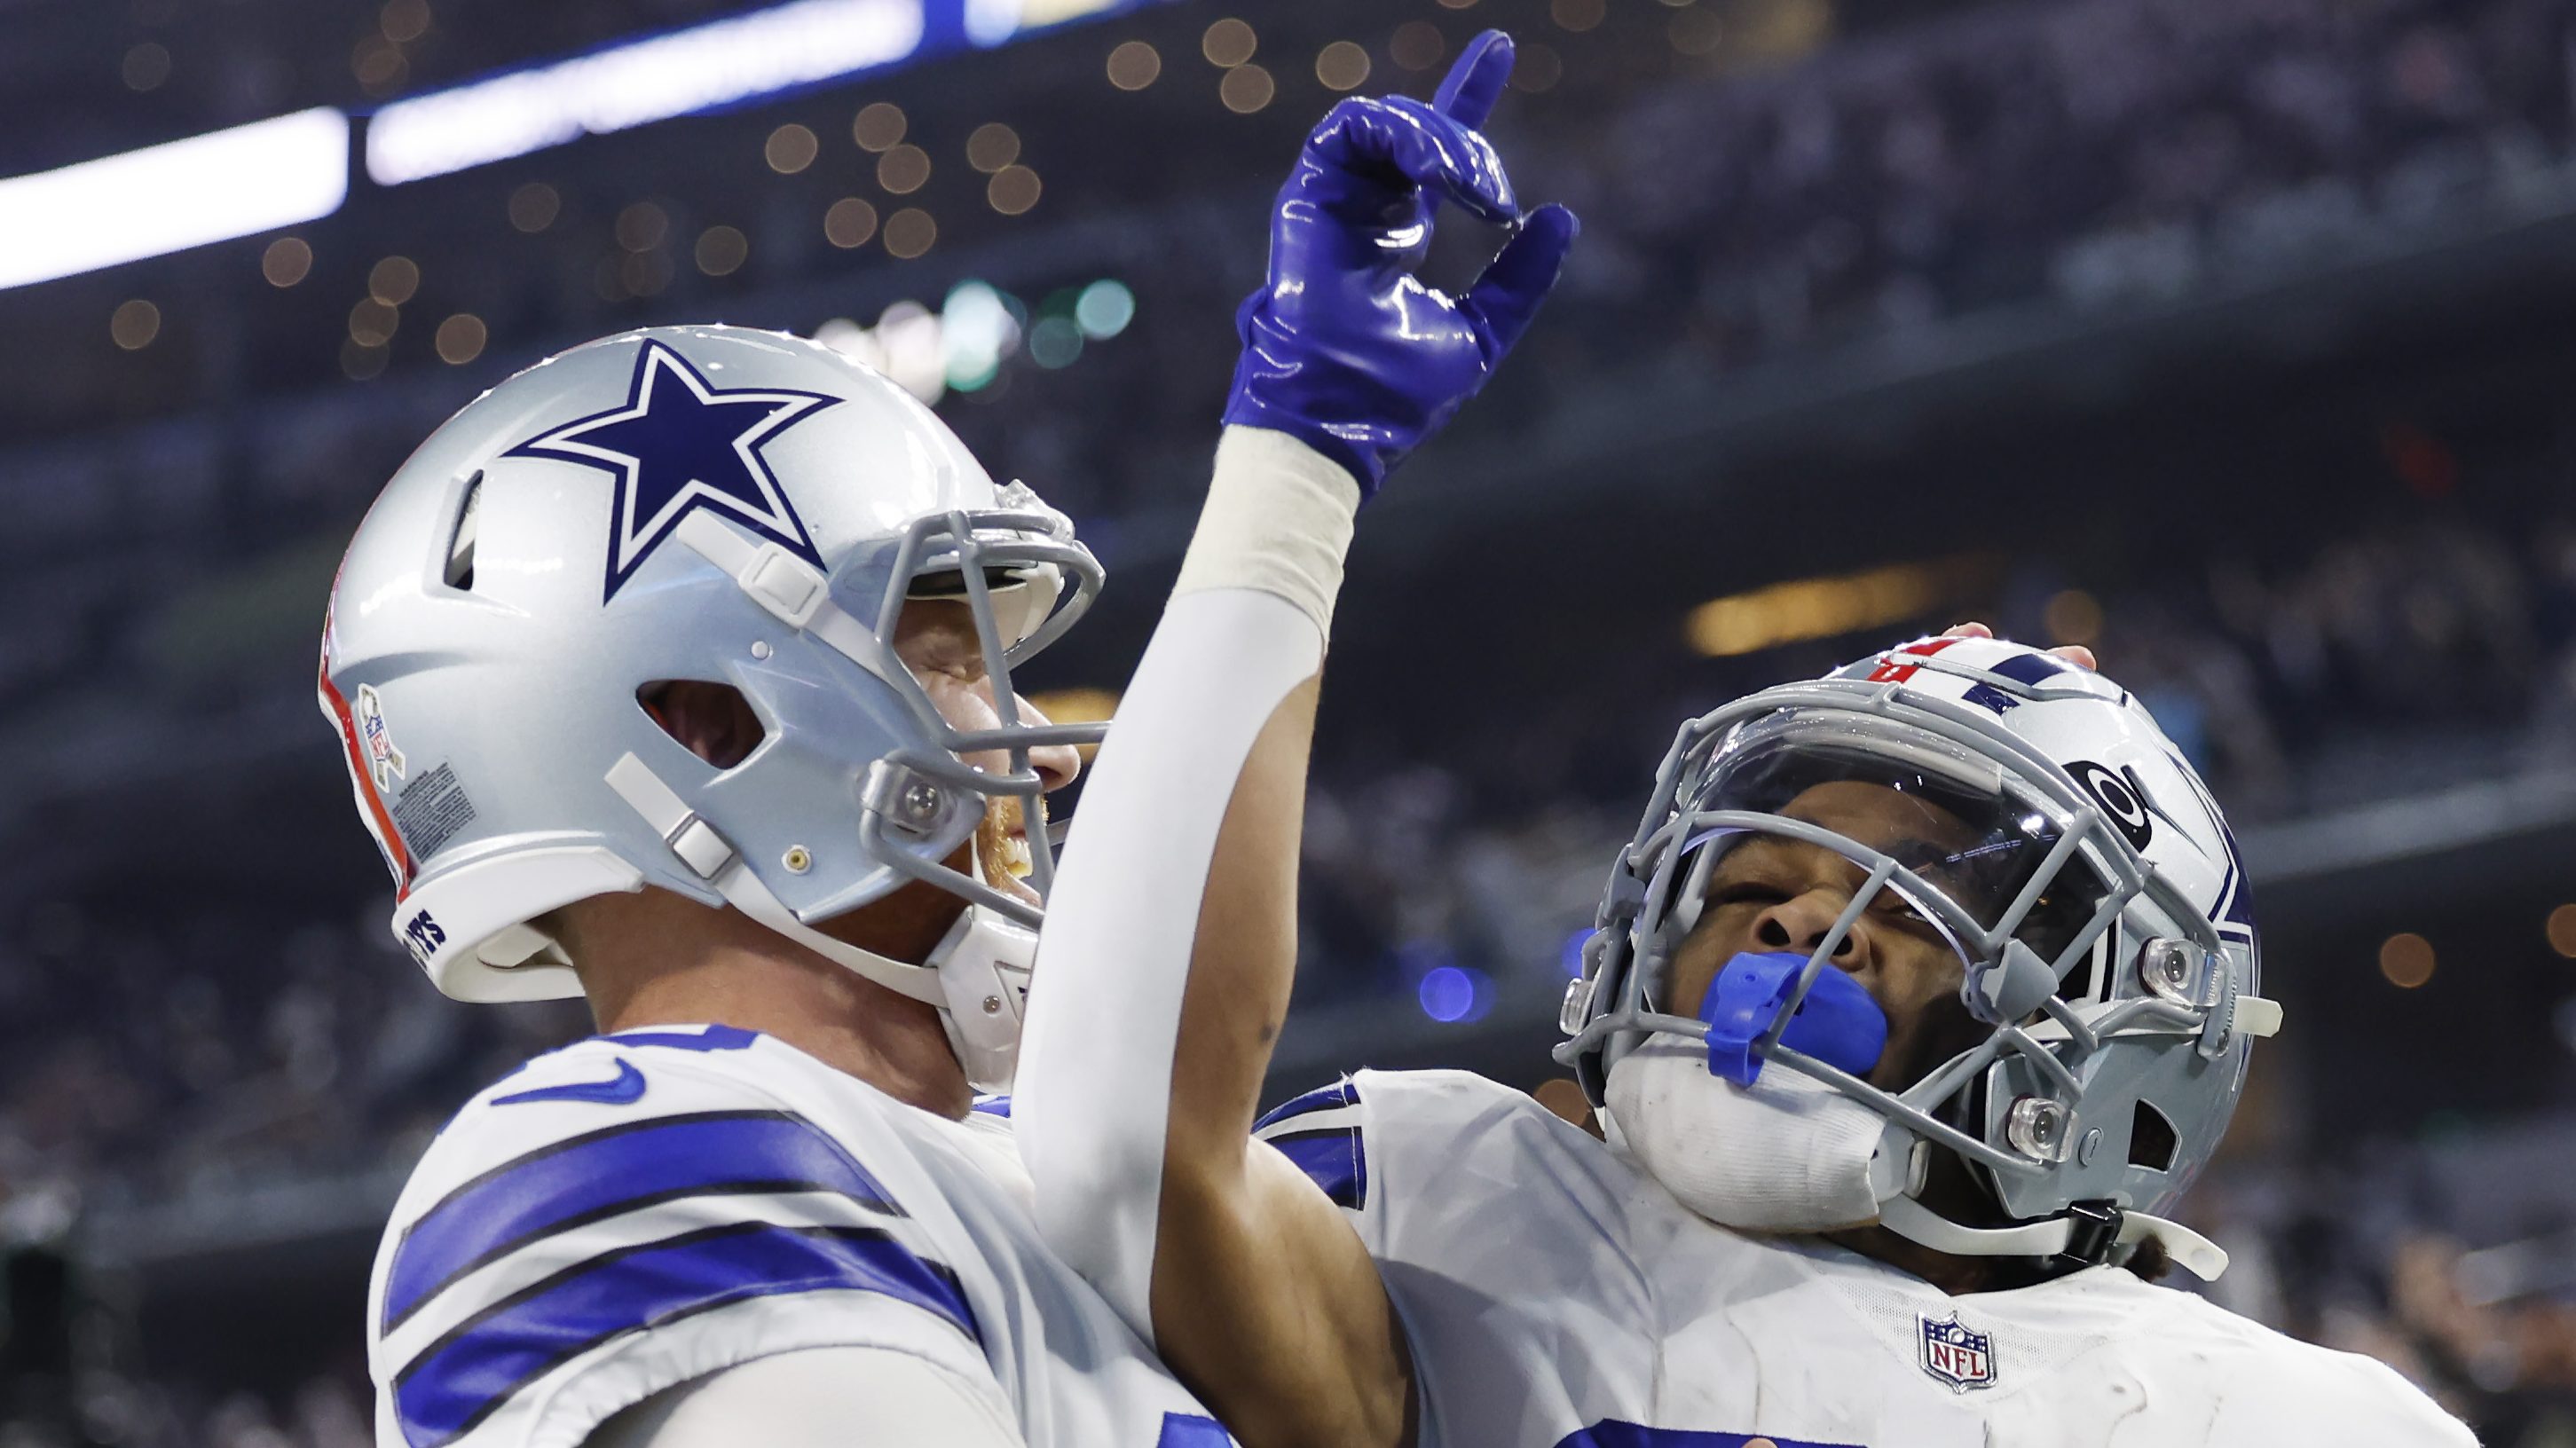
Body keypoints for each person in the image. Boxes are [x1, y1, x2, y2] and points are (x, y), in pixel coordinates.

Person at [1014, 31, 2477, 1448]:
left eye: (1901, 887)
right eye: (1750, 877)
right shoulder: (1486, 1237)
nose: (1790, 912)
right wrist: (1298, 453)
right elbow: (1123, 1150)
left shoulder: (2296, 1421)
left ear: (2115, 1017)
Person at [319, 324, 1235, 1448]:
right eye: (947, 662)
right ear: (711, 732)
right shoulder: (639, 1163)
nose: (1040, 756)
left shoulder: (1034, 1158)